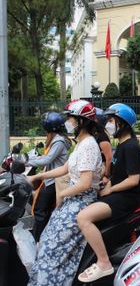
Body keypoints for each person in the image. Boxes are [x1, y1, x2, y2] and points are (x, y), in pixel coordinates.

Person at [28, 99, 102, 286]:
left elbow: (85, 183)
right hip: (72, 200)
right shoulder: (80, 144)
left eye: (71, 118)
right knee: (46, 241)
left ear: (82, 121)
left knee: (54, 248)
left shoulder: (89, 145)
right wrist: (36, 177)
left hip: (81, 201)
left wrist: (62, 194)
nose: (68, 122)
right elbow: (64, 169)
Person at [77, 103, 140, 283]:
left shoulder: (130, 146)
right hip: (118, 194)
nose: (107, 124)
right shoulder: (122, 145)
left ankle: (103, 262)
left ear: (121, 123)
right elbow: (116, 174)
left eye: (111, 120)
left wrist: (110, 188)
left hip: (127, 198)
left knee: (83, 218)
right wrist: (102, 181)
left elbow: (133, 180)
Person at [27, 112, 72, 242]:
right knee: (40, 208)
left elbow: (47, 160)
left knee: (40, 210)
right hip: (51, 178)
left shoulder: (58, 141)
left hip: (54, 180)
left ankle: (39, 241)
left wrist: (25, 162)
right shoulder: (56, 138)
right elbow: (46, 157)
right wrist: (30, 157)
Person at [95, 107, 113, 186]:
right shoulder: (97, 135)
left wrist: (106, 175)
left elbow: (109, 158)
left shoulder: (102, 137)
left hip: (102, 168)